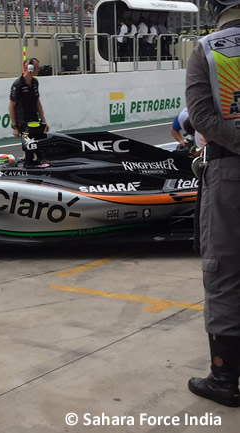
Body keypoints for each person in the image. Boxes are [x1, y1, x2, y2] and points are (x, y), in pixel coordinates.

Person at [185, 0, 240, 408]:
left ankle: (224, 378)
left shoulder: (207, 47)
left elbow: (201, 116)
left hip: (229, 175)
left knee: (223, 270)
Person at [8, 57, 49, 165]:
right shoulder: (18, 84)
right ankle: (27, 165)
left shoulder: (35, 82)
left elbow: (37, 102)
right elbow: (11, 106)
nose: (39, 70)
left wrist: (44, 121)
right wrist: (15, 127)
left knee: (38, 145)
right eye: (37, 68)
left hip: (34, 120)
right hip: (23, 121)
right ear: (30, 68)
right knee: (29, 147)